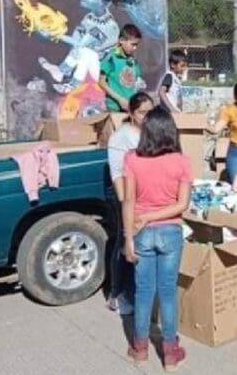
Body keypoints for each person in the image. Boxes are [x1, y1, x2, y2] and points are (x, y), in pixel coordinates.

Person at [123, 107, 192, 370]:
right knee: (167, 293)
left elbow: (128, 201)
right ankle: (171, 354)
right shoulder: (181, 161)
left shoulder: (132, 159)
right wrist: (155, 216)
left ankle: (140, 350)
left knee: (143, 292)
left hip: (141, 231)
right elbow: (181, 205)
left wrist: (129, 238)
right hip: (170, 232)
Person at [106, 92, 154, 315]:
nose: (146, 117)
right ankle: (116, 294)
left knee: (141, 246)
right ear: (131, 113)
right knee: (124, 244)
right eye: (142, 112)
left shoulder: (152, 133)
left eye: (150, 112)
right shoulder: (120, 137)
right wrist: (126, 203)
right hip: (127, 196)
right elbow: (116, 174)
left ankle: (135, 291)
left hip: (148, 198)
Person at [100, 24, 144, 112]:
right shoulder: (111, 58)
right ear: (121, 40)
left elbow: (137, 81)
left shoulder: (133, 61)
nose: (135, 48)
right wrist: (120, 99)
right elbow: (101, 82)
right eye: (133, 44)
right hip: (114, 108)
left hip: (131, 107)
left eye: (137, 45)